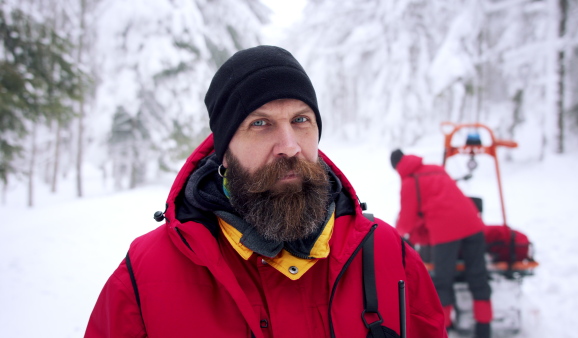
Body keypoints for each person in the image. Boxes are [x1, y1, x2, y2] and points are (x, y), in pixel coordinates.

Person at [85, 46, 447, 338]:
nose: (289, 146)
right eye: (260, 124)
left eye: (301, 120)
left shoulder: (388, 254)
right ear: (224, 150)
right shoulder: (147, 275)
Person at [390, 149, 493, 338]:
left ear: (397, 167)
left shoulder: (410, 181)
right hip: (473, 223)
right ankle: (484, 328)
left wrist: (397, 237)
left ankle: (445, 328)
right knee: (478, 276)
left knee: (442, 281)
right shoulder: (436, 168)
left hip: (446, 232)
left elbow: (407, 219)